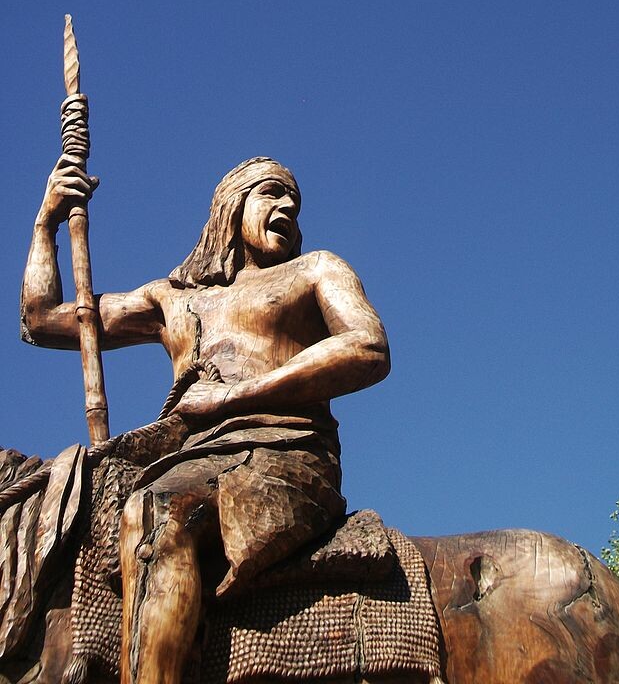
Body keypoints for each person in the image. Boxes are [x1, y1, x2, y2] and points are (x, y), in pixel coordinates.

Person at [21, 154, 390, 684]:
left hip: (282, 451)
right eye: (272, 192)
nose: (288, 206)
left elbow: (367, 346)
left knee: (156, 514)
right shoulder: (171, 299)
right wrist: (47, 222)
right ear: (231, 207)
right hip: (190, 458)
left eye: (294, 200)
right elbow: (41, 321)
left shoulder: (316, 270)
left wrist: (231, 397)